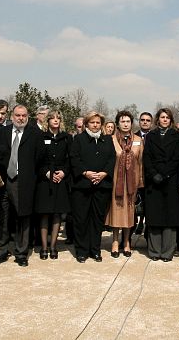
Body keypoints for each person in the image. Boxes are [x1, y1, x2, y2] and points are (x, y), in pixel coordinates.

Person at [0, 105, 45, 267]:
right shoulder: (2, 132)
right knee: (2, 217)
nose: (20, 118)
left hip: (24, 181)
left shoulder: (35, 134)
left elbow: (40, 158)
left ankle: (21, 253)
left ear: (28, 116)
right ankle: (0, 251)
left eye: (24, 115)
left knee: (23, 218)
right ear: (12, 116)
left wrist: (28, 173)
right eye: (17, 115)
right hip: (3, 181)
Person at [70, 111, 115, 262]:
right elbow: (74, 158)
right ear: (86, 124)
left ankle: (95, 250)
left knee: (97, 220)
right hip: (82, 185)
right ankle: (82, 250)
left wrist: (103, 173)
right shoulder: (79, 139)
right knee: (81, 219)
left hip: (101, 185)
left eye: (98, 123)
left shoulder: (107, 140)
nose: (95, 125)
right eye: (92, 122)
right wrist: (85, 173)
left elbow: (111, 159)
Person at [143, 108, 179, 262]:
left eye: (167, 117)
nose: (164, 120)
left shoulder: (176, 136)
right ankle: (154, 251)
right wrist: (154, 174)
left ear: (170, 120)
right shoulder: (151, 136)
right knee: (154, 217)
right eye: (162, 117)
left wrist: (165, 174)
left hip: (170, 180)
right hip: (154, 181)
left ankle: (167, 252)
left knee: (169, 217)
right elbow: (147, 157)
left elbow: (177, 158)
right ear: (157, 119)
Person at [105, 111, 143, 258]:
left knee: (129, 213)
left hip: (132, 184)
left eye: (128, 121)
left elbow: (141, 163)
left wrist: (140, 182)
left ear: (131, 123)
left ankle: (126, 241)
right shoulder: (111, 139)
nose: (125, 124)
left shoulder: (139, 140)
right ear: (117, 123)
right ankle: (115, 241)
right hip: (116, 182)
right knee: (116, 212)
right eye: (122, 121)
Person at [35, 110, 71, 260]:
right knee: (45, 213)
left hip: (61, 179)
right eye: (52, 118)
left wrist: (63, 172)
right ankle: (44, 247)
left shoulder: (67, 137)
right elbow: (36, 160)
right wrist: (47, 173)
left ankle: (53, 246)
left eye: (58, 118)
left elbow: (71, 159)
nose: (55, 120)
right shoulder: (41, 137)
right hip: (45, 180)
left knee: (57, 214)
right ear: (47, 121)